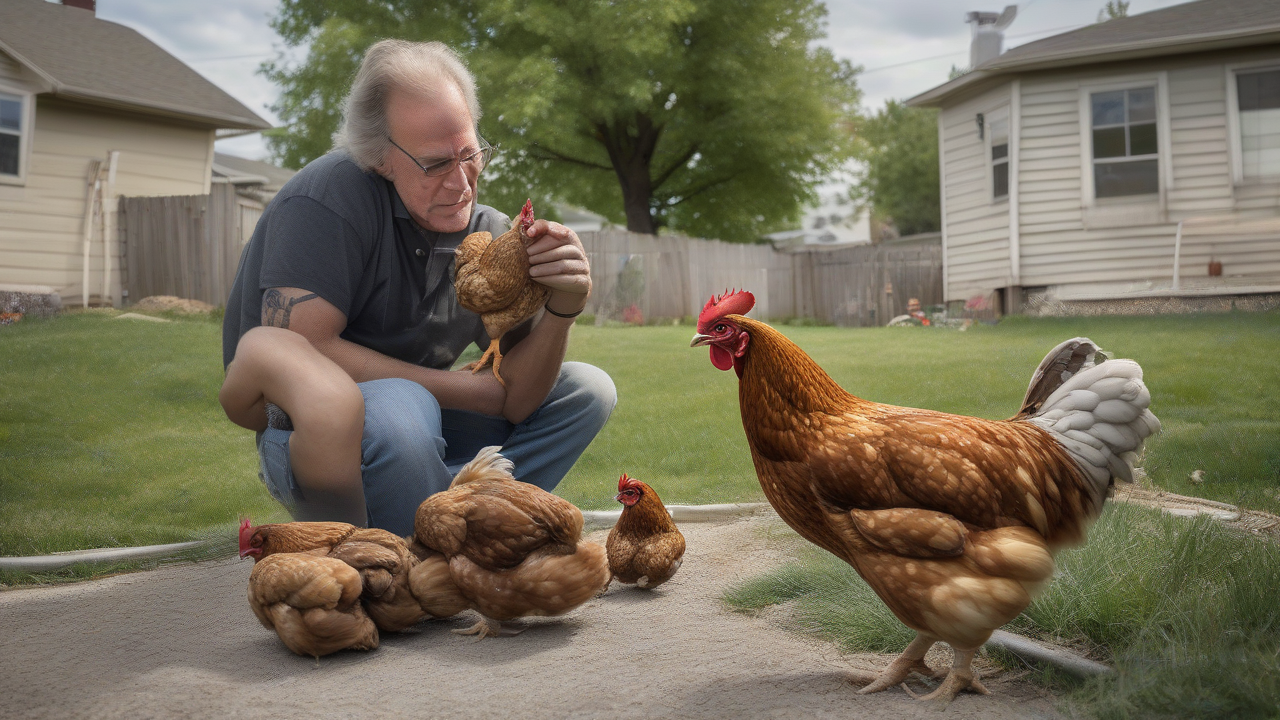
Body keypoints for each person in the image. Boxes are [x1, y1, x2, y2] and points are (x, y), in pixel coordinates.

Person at [220, 39, 616, 536]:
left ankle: (460, 522)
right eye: (434, 164)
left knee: (587, 391)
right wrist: (476, 393)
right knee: (405, 411)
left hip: (416, 429)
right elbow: (305, 349)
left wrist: (564, 308)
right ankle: (413, 555)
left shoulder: (487, 233)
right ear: (379, 158)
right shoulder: (326, 201)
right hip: (310, 437)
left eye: (470, 154)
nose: (461, 184)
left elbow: (518, 400)